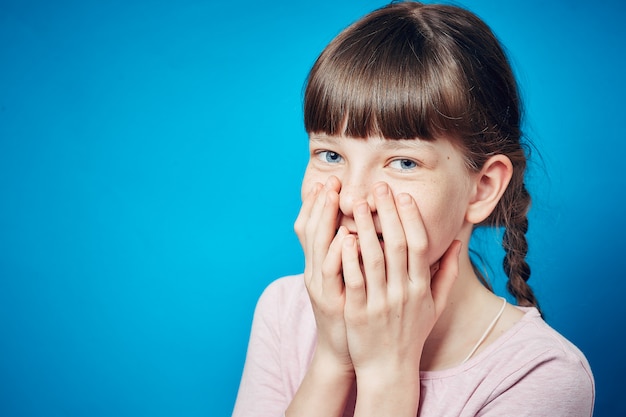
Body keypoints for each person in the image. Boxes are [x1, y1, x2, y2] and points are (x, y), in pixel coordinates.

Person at [232, 2, 595, 416]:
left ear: (483, 188)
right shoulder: (284, 310)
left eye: (404, 162)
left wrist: (388, 371)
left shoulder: (539, 375)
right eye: (330, 155)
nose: (352, 200)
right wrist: (333, 360)